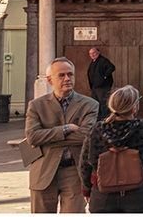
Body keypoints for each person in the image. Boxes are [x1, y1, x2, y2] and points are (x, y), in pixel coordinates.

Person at [26, 57, 99, 212]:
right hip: (44, 171)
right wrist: (66, 129)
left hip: (75, 172)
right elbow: (32, 136)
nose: (67, 78)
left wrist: (46, 138)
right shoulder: (36, 106)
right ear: (50, 80)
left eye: (70, 74)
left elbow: (88, 135)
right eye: (61, 75)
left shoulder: (89, 104)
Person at [79, 84, 143, 213]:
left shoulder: (97, 130)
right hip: (138, 193)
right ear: (134, 107)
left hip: (102, 193)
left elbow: (85, 161)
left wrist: (86, 189)